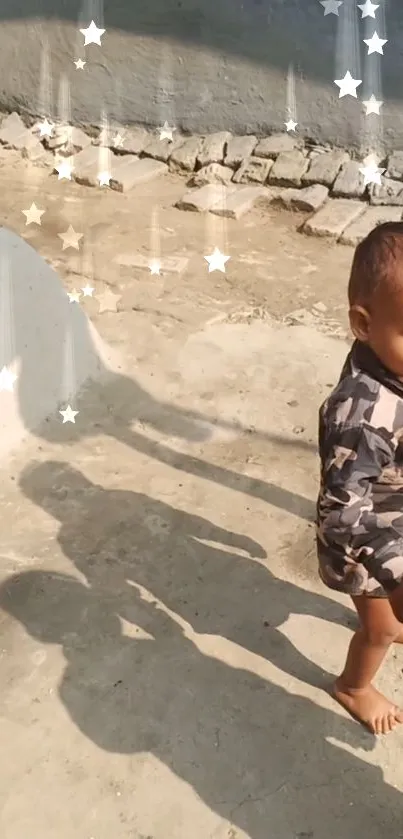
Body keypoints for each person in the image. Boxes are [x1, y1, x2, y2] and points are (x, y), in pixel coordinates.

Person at [317, 221, 403, 735]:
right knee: (382, 629)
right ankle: (353, 685)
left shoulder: (394, 365)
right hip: (365, 543)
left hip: (393, 512)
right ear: (363, 324)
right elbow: (344, 513)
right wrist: (395, 577)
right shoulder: (361, 416)